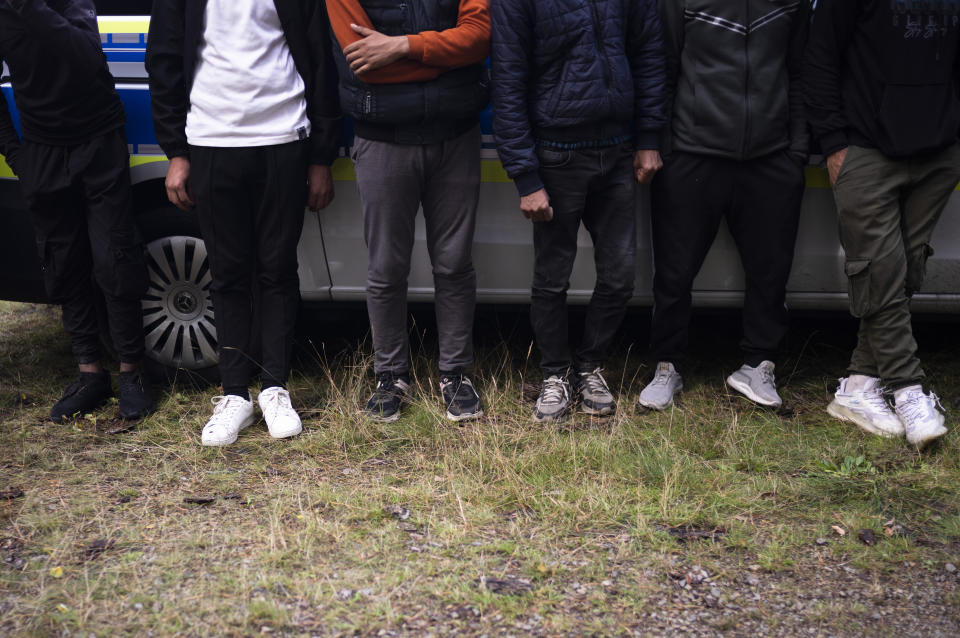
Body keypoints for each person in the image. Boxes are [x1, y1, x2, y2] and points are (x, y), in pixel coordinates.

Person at [146, 0, 341, 446]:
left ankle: (274, 389)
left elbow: (319, 59)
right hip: (211, 142)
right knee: (229, 274)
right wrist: (176, 149)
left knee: (276, 270)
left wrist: (320, 157)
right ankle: (234, 395)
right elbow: (164, 59)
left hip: (283, 139)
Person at [491, 0, 667, 422]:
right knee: (552, 279)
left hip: (618, 153)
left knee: (620, 276)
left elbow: (649, 56)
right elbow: (508, 83)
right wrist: (526, 177)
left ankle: (590, 366)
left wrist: (648, 136)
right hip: (556, 158)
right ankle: (554, 375)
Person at [638, 0, 810, 412]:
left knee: (770, 271)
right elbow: (663, 67)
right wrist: (664, 145)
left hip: (772, 156)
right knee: (675, 272)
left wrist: (797, 149)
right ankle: (667, 366)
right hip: (693, 151)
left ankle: (758, 365)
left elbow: (800, 69)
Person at [805, 0, 960, 448]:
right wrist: (835, 142)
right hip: (865, 149)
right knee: (878, 266)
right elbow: (819, 60)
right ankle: (909, 389)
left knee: (905, 267)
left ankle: (858, 385)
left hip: (937, 151)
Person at [326, 0, 490, 423]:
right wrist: (445, 59)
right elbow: (362, 60)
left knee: (454, 264)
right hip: (382, 138)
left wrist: (402, 46)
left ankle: (455, 374)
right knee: (386, 266)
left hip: (455, 135)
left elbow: (480, 37)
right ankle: (391, 375)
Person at [0, 0, 154, 423]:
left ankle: (132, 373)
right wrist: (18, 157)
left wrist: (29, 7)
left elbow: (82, 56)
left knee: (115, 258)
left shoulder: (69, 4)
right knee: (62, 260)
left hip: (99, 140)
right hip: (42, 151)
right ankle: (90, 374)